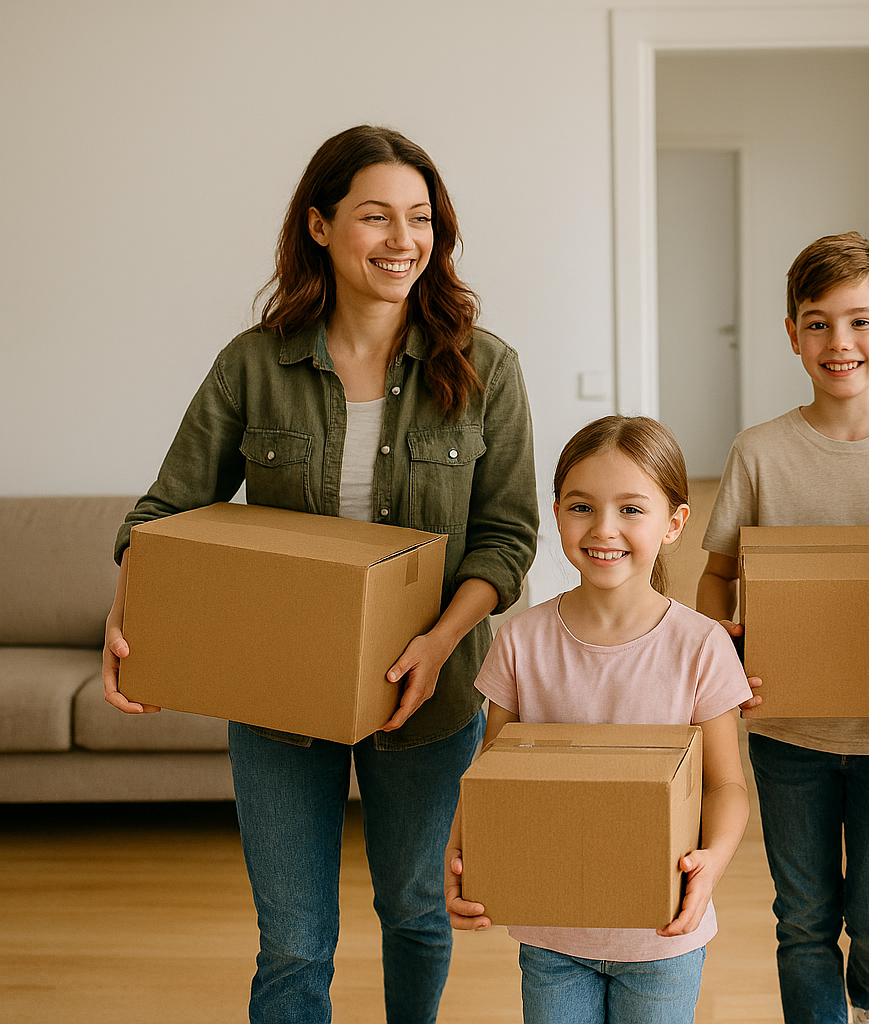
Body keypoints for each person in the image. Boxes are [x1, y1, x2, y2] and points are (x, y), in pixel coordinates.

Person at [101, 125, 540, 1024]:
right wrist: (126, 610)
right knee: (295, 944)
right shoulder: (253, 365)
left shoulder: (485, 367)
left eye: (420, 218)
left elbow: (506, 537)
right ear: (319, 226)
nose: (402, 240)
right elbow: (161, 515)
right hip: (279, 692)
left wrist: (438, 642)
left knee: (416, 914)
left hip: (433, 689)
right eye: (374, 216)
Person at [696, 232, 869, 1024]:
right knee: (805, 916)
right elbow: (717, 575)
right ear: (792, 335)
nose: (838, 343)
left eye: (858, 322)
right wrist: (724, 650)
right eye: (817, 323)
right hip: (789, 731)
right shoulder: (759, 453)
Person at [444, 415, 751, 1023]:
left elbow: (727, 786)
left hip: (662, 937)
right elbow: (490, 775)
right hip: (553, 936)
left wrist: (711, 861)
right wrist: (460, 858)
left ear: (675, 523)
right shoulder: (521, 642)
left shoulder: (701, 645)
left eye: (632, 509)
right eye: (582, 506)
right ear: (556, 513)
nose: (604, 529)